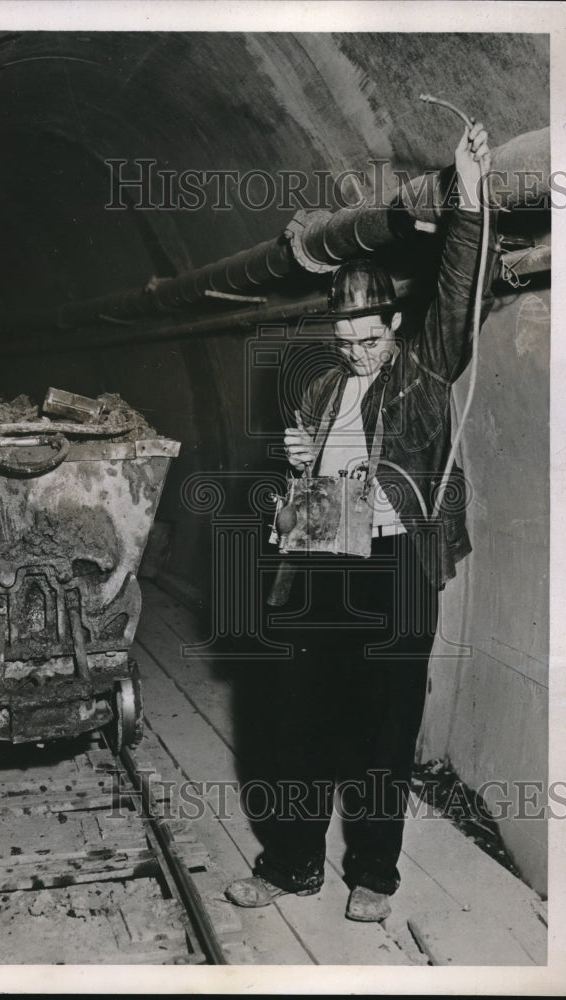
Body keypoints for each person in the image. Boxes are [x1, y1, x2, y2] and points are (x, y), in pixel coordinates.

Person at [225, 122, 496, 920]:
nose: (359, 353)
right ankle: (290, 865)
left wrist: (470, 197)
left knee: (385, 726)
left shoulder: (420, 370)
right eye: (346, 339)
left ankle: (374, 876)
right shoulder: (315, 395)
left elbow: (457, 293)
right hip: (323, 563)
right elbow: (278, 498)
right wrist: (287, 488)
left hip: (397, 568)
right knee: (299, 721)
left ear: (392, 325)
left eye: (371, 336)